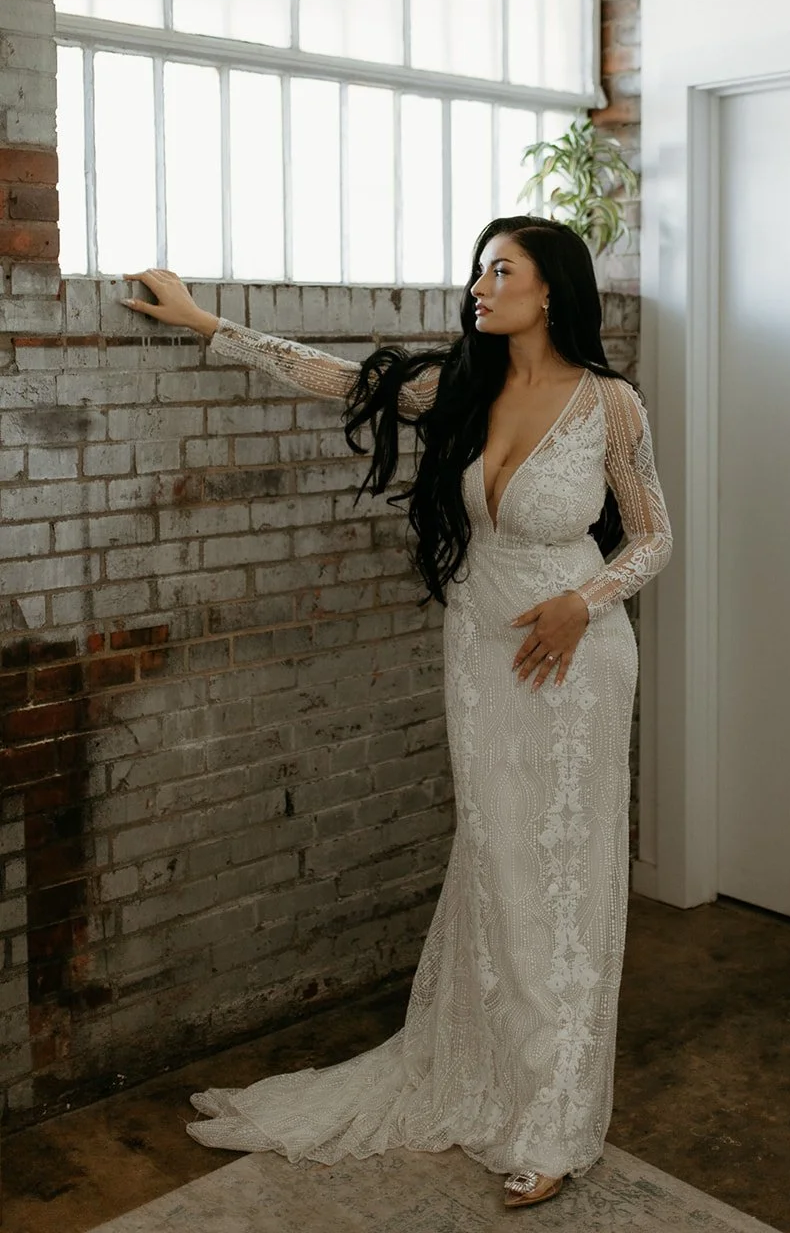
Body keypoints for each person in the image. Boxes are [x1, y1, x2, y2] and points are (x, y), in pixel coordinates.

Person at [121, 215, 672, 1210]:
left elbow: (650, 537)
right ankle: (485, 1072)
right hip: (478, 647)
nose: (479, 284)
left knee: (562, 873)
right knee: (497, 862)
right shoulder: (463, 389)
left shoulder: (610, 406)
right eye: (476, 268)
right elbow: (338, 377)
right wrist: (212, 325)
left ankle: (554, 1118)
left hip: (575, 658)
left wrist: (580, 602)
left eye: (500, 269)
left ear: (551, 290)